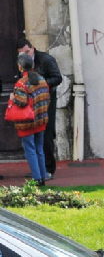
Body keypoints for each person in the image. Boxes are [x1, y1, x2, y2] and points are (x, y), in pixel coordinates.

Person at [16, 38, 62, 180]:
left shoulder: (46, 59)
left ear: (32, 48)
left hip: (46, 102)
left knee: (46, 135)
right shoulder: (22, 63)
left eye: (27, 51)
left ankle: (48, 169)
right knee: (35, 137)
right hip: (32, 104)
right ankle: (39, 170)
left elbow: (57, 78)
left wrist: (40, 87)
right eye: (22, 53)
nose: (25, 55)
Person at [11, 53, 50, 186]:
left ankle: (36, 178)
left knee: (30, 149)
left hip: (27, 122)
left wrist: (12, 98)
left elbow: (21, 102)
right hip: (41, 119)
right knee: (39, 148)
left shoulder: (21, 83)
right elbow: (47, 98)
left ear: (20, 67)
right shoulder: (42, 80)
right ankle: (43, 176)